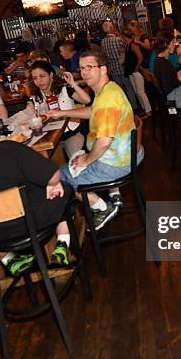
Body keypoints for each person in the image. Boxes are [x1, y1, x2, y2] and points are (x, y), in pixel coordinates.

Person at [0, 104, 74, 272]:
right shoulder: (9, 149)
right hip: (30, 223)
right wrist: (52, 184)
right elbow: (54, 175)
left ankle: (9, 260)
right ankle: (63, 242)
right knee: (61, 188)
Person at [47, 51, 140, 231]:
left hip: (115, 162)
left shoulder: (107, 99)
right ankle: (113, 196)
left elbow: (104, 142)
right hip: (126, 153)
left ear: (103, 69)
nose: (84, 73)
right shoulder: (108, 88)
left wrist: (87, 159)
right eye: (82, 68)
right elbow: (92, 111)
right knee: (72, 161)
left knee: (59, 180)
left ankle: (104, 208)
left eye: (90, 67)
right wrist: (62, 113)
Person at [27, 61, 91, 157]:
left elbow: (87, 100)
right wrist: (30, 111)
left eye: (42, 76)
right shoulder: (35, 98)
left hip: (71, 134)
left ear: (51, 75)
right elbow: (30, 116)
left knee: (78, 160)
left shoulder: (65, 89)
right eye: (35, 78)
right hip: (49, 139)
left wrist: (72, 83)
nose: (39, 81)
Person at [100, 20, 138, 110]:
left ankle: (124, 108)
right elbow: (127, 51)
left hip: (112, 69)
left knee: (120, 90)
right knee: (129, 88)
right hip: (123, 68)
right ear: (111, 28)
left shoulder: (103, 42)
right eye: (112, 26)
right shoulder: (118, 40)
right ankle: (134, 107)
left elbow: (104, 56)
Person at [121, 28, 152, 117]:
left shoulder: (133, 45)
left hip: (136, 71)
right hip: (132, 72)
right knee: (137, 92)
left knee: (141, 92)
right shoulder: (128, 45)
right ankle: (144, 109)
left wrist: (136, 69)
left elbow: (140, 57)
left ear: (124, 36)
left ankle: (148, 111)